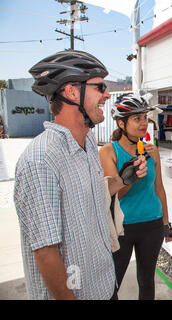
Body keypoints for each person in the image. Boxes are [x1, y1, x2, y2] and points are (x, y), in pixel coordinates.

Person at [13, 50, 147, 300]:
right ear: (72, 92)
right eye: (100, 87)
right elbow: (45, 252)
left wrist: (123, 179)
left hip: (105, 288)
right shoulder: (41, 159)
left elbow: (90, 195)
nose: (107, 95)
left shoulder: (87, 143)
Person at [99, 93, 172, 300]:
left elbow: (158, 188)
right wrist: (128, 178)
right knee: (111, 284)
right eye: (137, 118)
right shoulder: (108, 151)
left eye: (144, 117)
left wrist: (166, 223)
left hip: (153, 224)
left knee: (147, 282)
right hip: (123, 227)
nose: (144, 123)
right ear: (121, 123)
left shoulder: (152, 150)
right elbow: (112, 192)